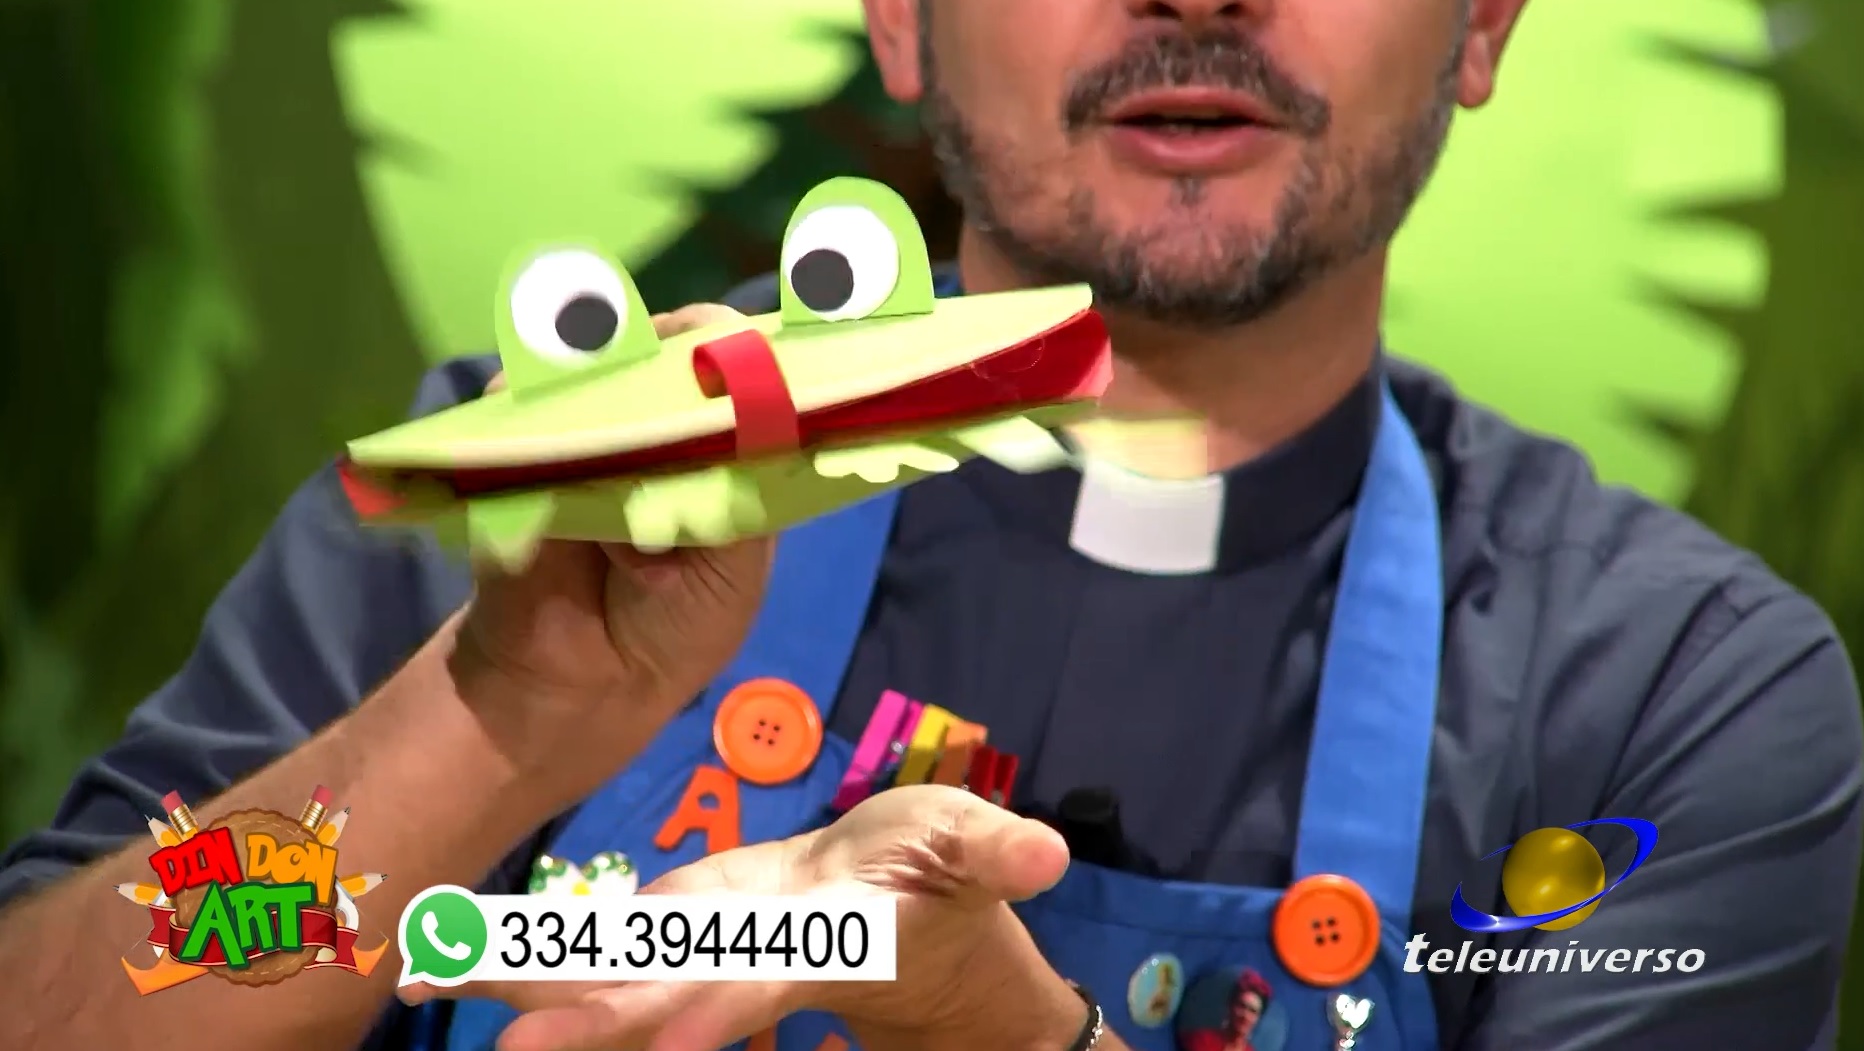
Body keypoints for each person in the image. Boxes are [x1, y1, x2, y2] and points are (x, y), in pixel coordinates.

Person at [0, 0, 1859, 1049]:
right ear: (899, 14)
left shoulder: (1669, 695)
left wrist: (1001, 1029)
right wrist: (491, 722)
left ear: (1485, 22)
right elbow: (86, 1005)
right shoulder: (539, 496)